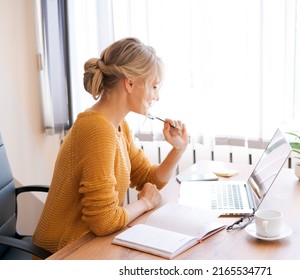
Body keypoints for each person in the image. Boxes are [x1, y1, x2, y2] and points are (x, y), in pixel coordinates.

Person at [32, 37, 188, 254]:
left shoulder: (116, 125)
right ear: (130, 83)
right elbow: (104, 221)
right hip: (63, 252)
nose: (157, 96)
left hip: (90, 245)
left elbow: (149, 179)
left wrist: (178, 148)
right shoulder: (96, 130)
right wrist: (144, 203)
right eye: (153, 86)